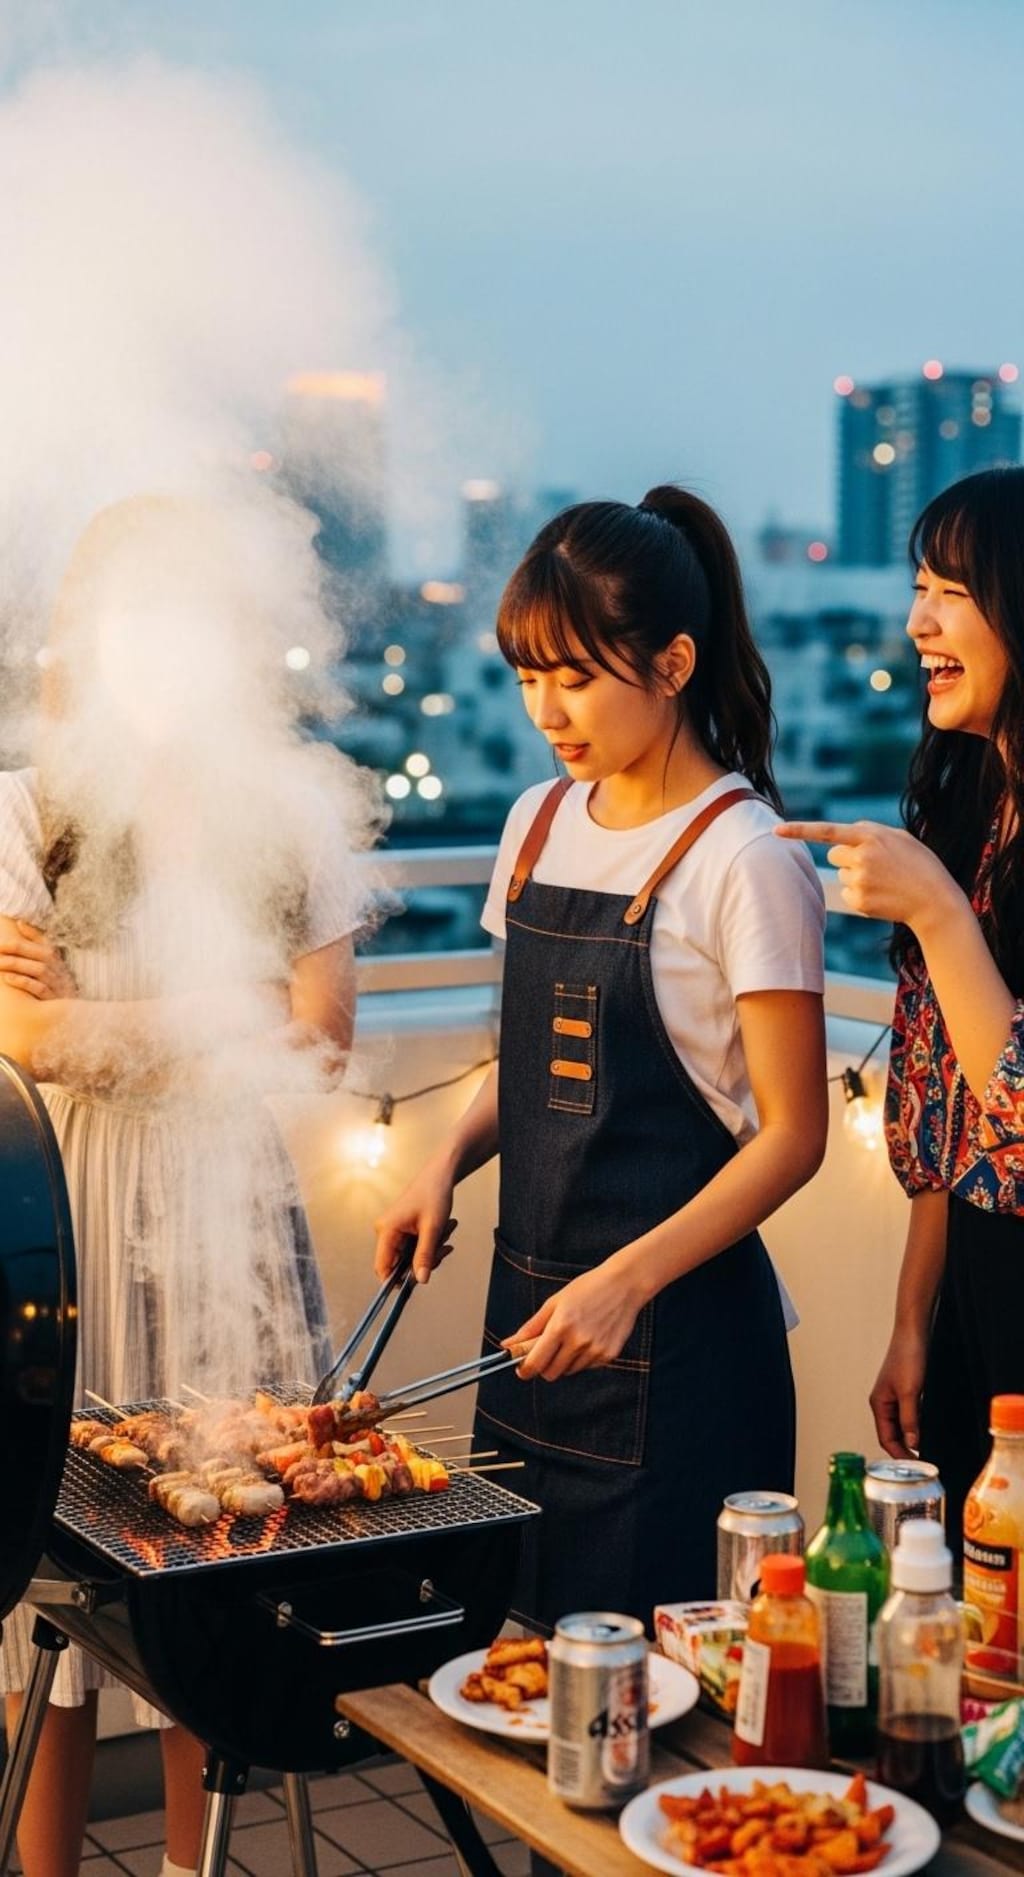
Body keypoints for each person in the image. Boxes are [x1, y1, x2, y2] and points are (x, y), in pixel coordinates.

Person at [375, 487, 828, 1630]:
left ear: (672, 662)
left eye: (574, 675)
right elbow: (530, 1055)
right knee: (518, 1665)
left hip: (678, 1352)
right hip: (533, 1328)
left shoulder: (745, 856)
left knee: (664, 1691)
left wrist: (625, 1281)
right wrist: (442, 1162)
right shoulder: (535, 821)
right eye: (528, 675)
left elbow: (793, 1135)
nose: (545, 710)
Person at [0, 496, 370, 1877]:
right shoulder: (24, 803)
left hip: (228, 1199)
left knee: (215, 1568)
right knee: (49, 1580)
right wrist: (224, 1007)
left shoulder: (287, 810)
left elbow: (321, 1039)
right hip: (71, 1200)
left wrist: (102, 1014)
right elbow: (26, 1040)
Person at [780, 465, 1024, 1557]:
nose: (918, 622)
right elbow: (943, 1111)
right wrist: (910, 1320)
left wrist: (935, 908)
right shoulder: (970, 804)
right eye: (918, 588)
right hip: (973, 1283)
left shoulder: (949, 870)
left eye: (951, 592)